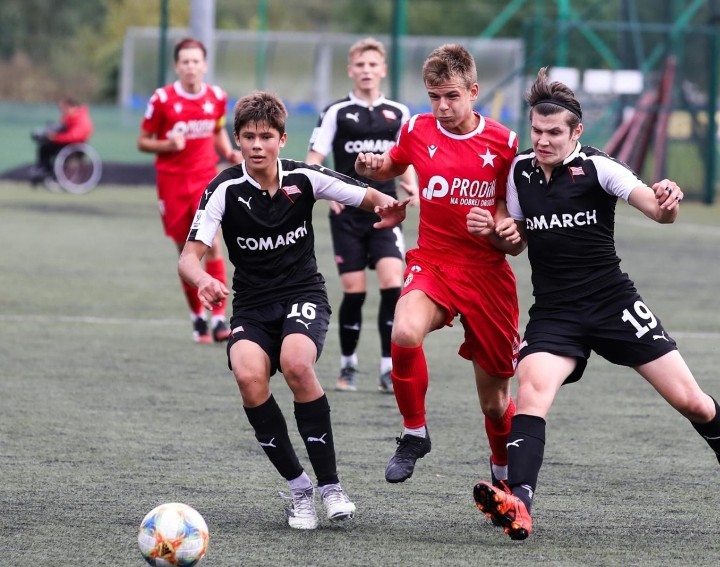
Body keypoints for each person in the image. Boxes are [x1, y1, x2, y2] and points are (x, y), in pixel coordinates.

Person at [467, 68, 720, 541]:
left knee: (691, 400)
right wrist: (501, 233)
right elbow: (514, 243)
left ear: (576, 131)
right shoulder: (520, 171)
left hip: (614, 303)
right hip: (555, 312)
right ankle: (520, 503)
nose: (544, 140)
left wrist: (668, 198)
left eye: (554, 133)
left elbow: (658, 211)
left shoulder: (599, 167)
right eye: (537, 131)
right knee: (531, 393)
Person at [178, 91, 408, 529]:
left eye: (266, 136)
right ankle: (300, 488)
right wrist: (204, 278)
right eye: (249, 137)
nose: (257, 145)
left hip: (303, 292)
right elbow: (188, 258)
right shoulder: (224, 189)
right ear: (238, 141)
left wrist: (389, 208)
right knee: (248, 376)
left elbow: (366, 195)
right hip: (251, 303)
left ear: (282, 139)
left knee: (297, 364)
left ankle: (331, 486)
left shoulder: (304, 178)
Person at [354, 44, 520, 486]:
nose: (442, 107)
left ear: (473, 91)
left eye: (451, 96)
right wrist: (371, 167)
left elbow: (513, 222)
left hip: (487, 276)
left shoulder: (505, 144)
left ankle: (504, 475)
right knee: (404, 330)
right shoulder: (416, 129)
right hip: (434, 263)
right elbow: (392, 163)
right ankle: (414, 432)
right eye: (434, 97)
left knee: (495, 402)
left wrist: (499, 227)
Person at [306, 37, 419, 394]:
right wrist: (327, 192)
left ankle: (388, 366)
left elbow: (404, 160)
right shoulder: (336, 112)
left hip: (386, 211)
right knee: (354, 291)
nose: (367, 71)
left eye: (373, 65)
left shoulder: (399, 113)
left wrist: (410, 186)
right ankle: (348, 365)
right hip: (348, 214)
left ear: (383, 70)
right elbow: (314, 162)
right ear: (350, 70)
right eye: (360, 65)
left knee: (393, 284)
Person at [138, 37, 243, 344]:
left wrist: (229, 152)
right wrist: (167, 144)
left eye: (196, 61)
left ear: (205, 65)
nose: (190, 67)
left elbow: (217, 129)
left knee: (212, 244)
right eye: (185, 61)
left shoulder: (217, 97)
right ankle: (198, 317)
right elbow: (143, 141)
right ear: (177, 66)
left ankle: (220, 318)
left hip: (204, 180)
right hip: (171, 183)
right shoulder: (162, 100)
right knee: (185, 252)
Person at [30, 96, 94, 184]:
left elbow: (74, 137)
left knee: (51, 148)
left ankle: (54, 176)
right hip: (65, 143)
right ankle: (44, 169)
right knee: (44, 146)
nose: (62, 111)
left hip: (75, 146)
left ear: (71, 106)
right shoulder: (67, 118)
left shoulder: (82, 119)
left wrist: (56, 138)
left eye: (63, 108)